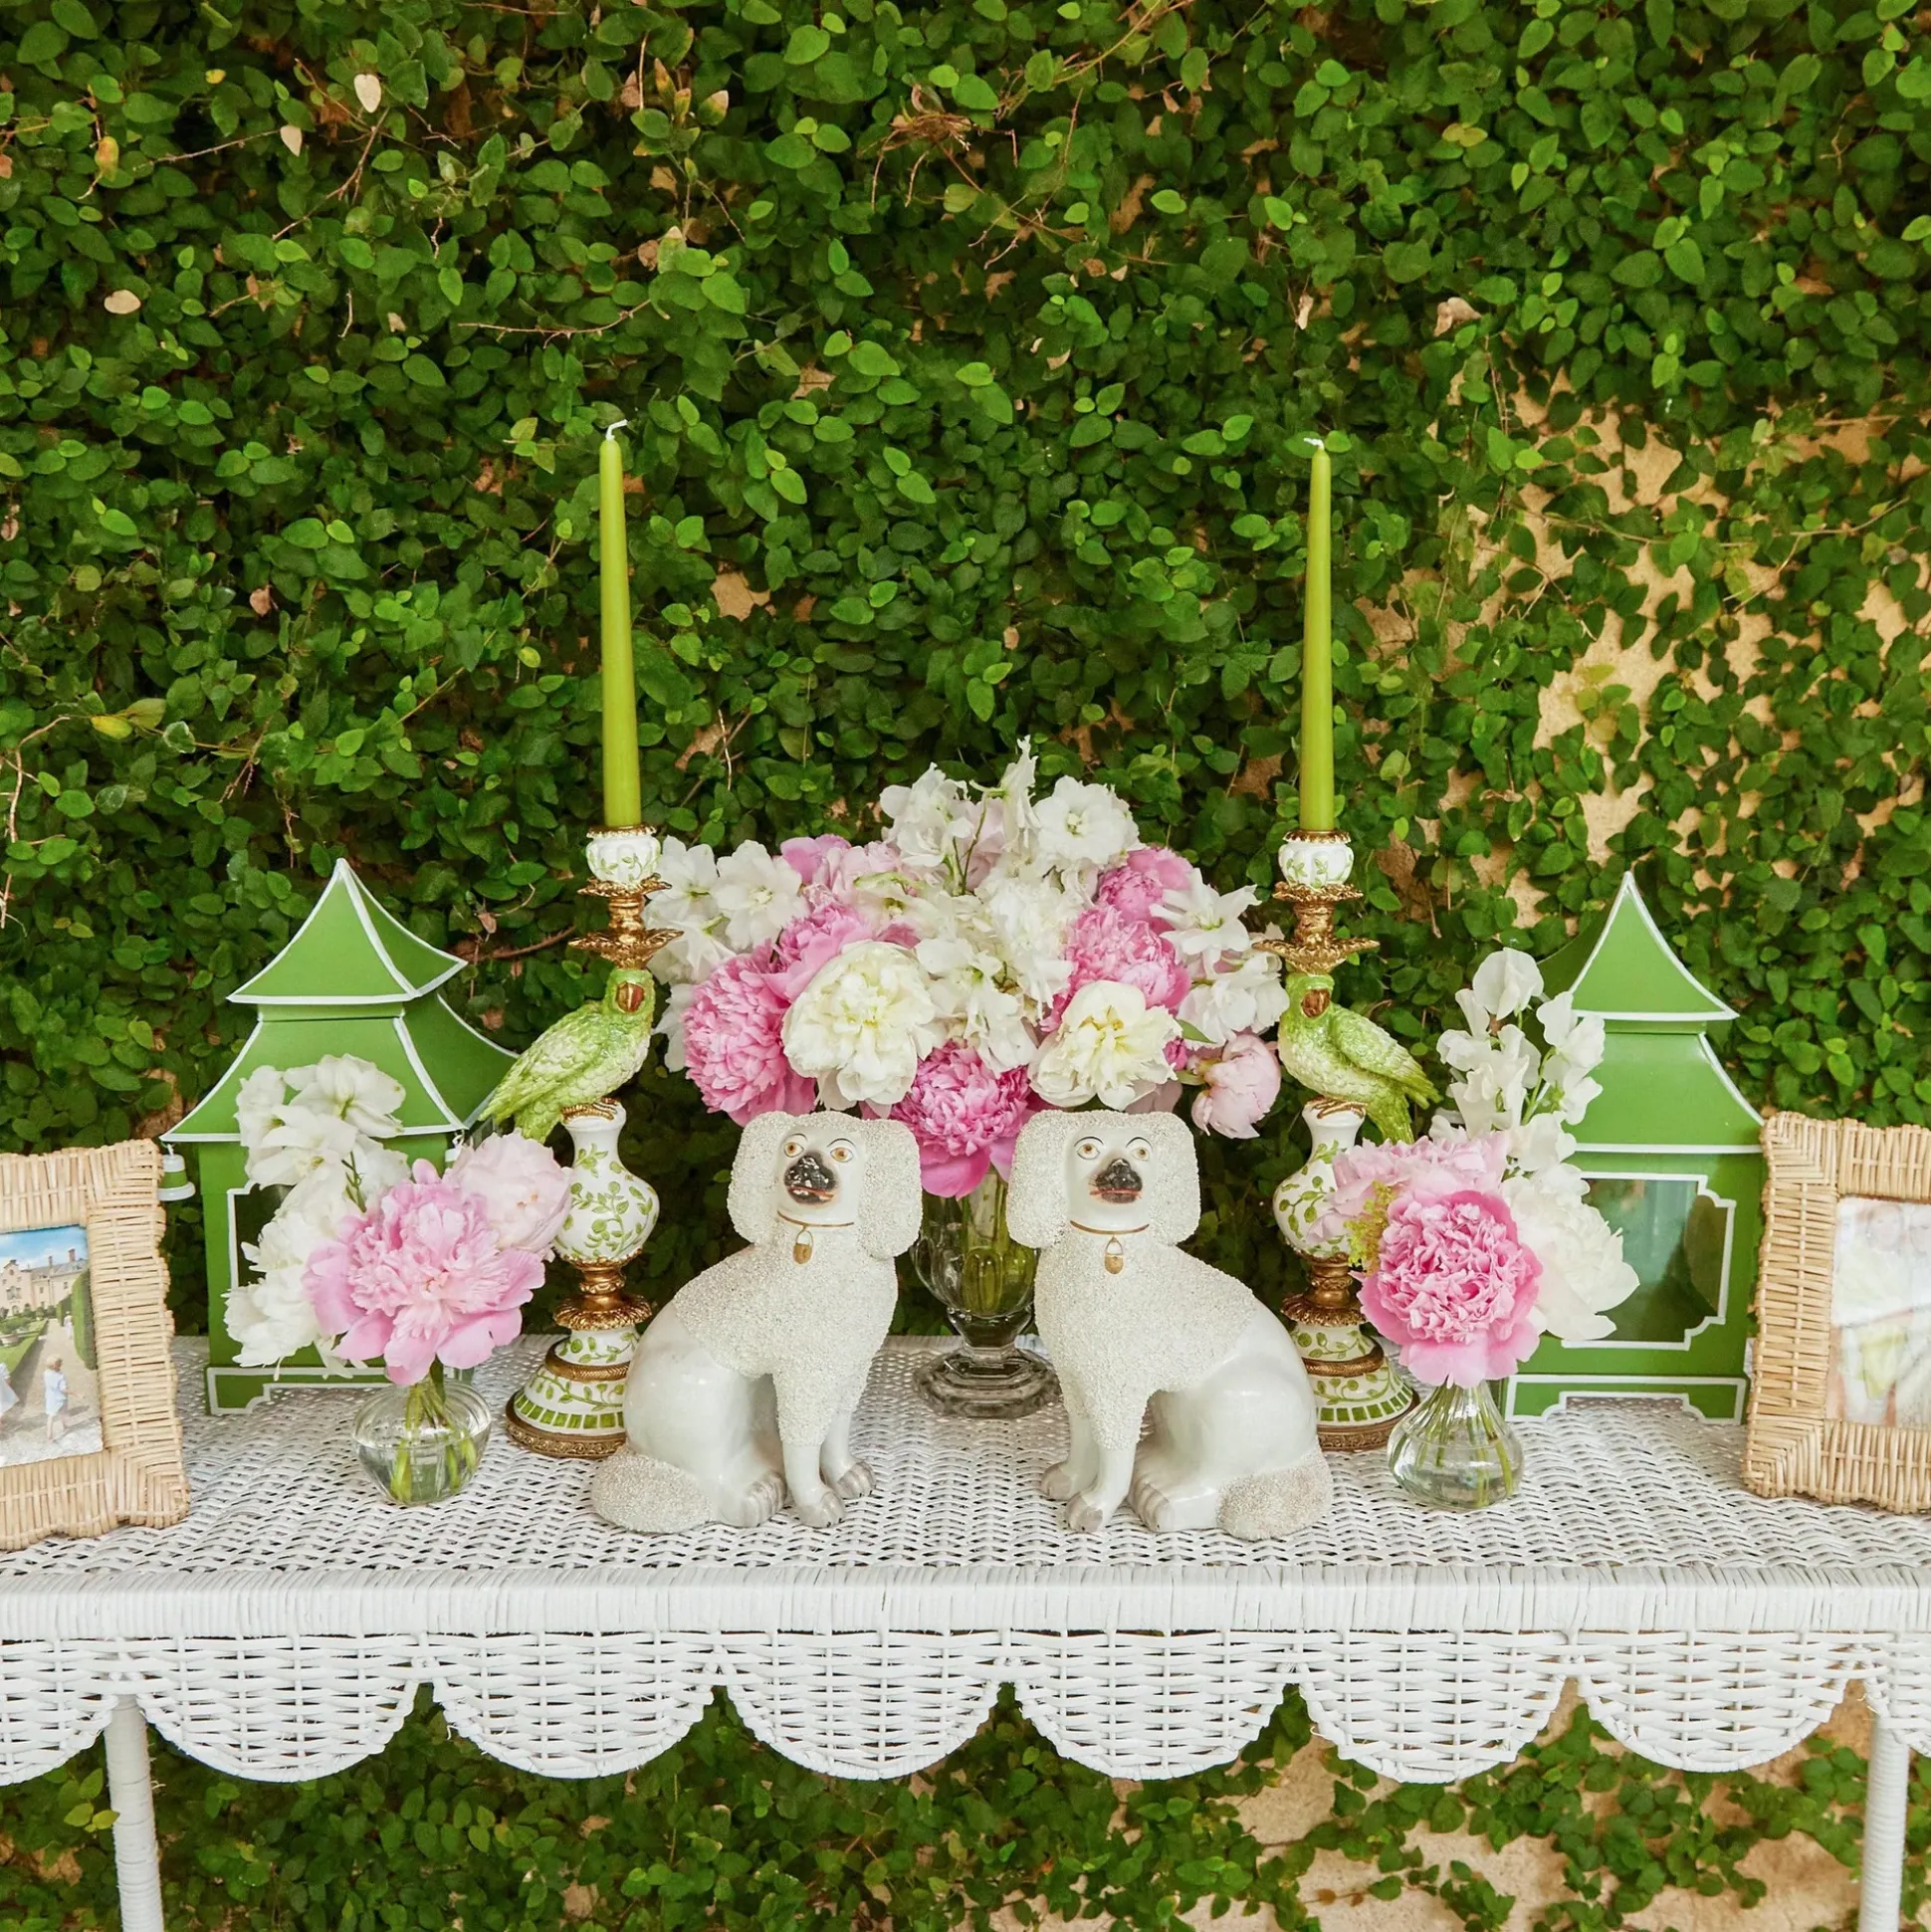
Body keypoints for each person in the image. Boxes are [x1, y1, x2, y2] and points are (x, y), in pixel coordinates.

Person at [43, 1356, 67, 1443]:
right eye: (59, 1364)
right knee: (62, 1412)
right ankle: (64, 1426)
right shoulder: (60, 1376)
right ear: (54, 1366)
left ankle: (49, 1435)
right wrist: (76, 1393)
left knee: (51, 1416)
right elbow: (63, 1389)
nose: (61, 1365)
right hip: (59, 1397)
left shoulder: (46, 1373)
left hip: (50, 1397)